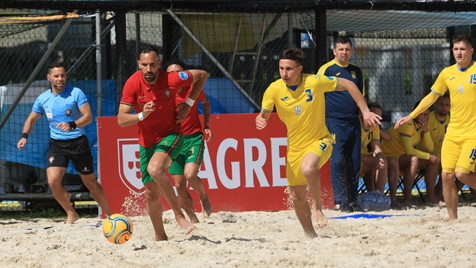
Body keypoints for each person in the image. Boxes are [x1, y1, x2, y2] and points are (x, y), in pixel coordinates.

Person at [256, 47, 380, 238]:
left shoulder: (313, 82)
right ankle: (310, 234)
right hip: (294, 149)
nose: (284, 73)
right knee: (297, 198)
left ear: (299, 69)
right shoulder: (274, 89)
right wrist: (260, 119)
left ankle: (318, 208)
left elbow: (349, 84)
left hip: (320, 140)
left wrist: (364, 111)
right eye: (281, 68)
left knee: (308, 168)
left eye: (289, 69)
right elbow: (263, 114)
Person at [117, 45, 208, 241]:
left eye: (152, 65)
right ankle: (160, 236)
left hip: (171, 135)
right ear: (138, 64)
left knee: (155, 169)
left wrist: (189, 103)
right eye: (144, 65)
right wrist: (142, 114)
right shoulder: (133, 83)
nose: (149, 69)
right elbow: (121, 120)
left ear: (159, 64)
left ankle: (178, 215)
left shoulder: (171, 79)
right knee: (151, 195)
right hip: (147, 142)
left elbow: (202, 74)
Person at [17, 61, 112, 224]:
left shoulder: (76, 93)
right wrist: (24, 136)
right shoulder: (43, 99)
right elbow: (31, 120)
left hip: (78, 143)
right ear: (49, 78)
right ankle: (71, 213)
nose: (60, 78)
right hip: (57, 145)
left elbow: (88, 117)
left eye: (62, 75)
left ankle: (109, 214)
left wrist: (72, 124)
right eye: (56, 76)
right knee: (53, 181)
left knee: (90, 182)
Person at [395, 35, 476, 220]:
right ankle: (453, 220)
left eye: (462, 49)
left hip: (473, 133)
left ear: (471, 51)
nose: (458, 52)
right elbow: (431, 98)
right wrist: (411, 115)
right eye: (456, 49)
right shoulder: (447, 73)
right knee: (447, 176)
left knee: (462, 173)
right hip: (453, 133)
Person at [317, 36, 365, 212]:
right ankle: (341, 200)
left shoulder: (357, 71)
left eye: (347, 49)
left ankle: (353, 200)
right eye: (341, 49)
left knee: (354, 161)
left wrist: (365, 114)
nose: (344, 52)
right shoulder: (326, 69)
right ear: (334, 51)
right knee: (336, 161)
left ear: (351, 51)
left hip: (354, 121)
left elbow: (360, 96)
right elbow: (317, 95)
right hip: (334, 122)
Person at [164, 59, 213, 223]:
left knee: (190, 175)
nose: (173, 76)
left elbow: (206, 103)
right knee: (179, 185)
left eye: (177, 73)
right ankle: (193, 220)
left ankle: (203, 196)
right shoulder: (164, 94)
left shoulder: (193, 89)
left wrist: (206, 125)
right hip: (174, 141)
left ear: (185, 75)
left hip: (193, 138)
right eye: (170, 74)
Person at [382, 101, 440, 206]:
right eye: (420, 113)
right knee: (415, 158)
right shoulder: (407, 123)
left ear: (429, 115)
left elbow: (430, 148)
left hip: (404, 158)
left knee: (433, 159)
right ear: (413, 112)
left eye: (425, 114)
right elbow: (409, 150)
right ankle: (407, 198)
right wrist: (428, 156)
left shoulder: (423, 126)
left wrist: (426, 131)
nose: (422, 117)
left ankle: (430, 197)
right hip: (388, 156)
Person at [426, 94, 450, 205]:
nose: (444, 107)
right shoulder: (428, 117)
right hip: (428, 151)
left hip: (445, 152)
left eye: (447, 105)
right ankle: (431, 196)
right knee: (435, 160)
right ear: (435, 104)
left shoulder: (452, 120)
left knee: (462, 162)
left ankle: (442, 194)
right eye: (441, 104)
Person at [360, 103, 389, 194]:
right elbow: (350, 153)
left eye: (380, 115)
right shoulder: (356, 125)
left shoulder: (375, 128)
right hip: (353, 159)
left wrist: (379, 157)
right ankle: (373, 194)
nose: (377, 118)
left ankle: (378, 196)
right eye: (375, 114)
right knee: (373, 162)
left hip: (363, 158)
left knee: (382, 162)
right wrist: (370, 160)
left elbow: (376, 148)